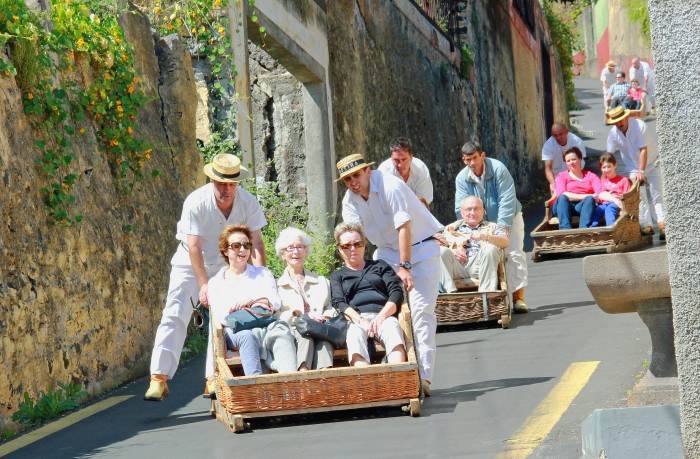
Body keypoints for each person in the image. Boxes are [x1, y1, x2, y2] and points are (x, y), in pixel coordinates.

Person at [144, 153, 267, 402]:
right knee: (175, 312)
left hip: (225, 263)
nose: (226, 189)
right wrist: (203, 286)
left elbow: (257, 244)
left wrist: (261, 281)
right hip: (189, 263)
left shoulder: (248, 202)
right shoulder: (196, 201)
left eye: (231, 183)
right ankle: (159, 378)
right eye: (221, 183)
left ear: (238, 183)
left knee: (221, 319)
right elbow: (194, 248)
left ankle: (213, 378)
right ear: (212, 181)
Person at [337, 154, 443, 395]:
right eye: (347, 179)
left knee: (420, 313)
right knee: (381, 311)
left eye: (356, 175)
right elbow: (354, 237)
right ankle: (391, 370)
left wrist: (404, 266)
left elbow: (403, 227)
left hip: (420, 247)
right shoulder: (350, 200)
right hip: (385, 253)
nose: (353, 182)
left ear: (367, 171)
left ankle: (423, 377)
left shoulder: (390, 185)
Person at [207, 225, 296, 378]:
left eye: (246, 245)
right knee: (248, 335)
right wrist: (251, 307)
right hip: (235, 332)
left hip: (266, 325)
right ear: (225, 250)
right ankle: (255, 386)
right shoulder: (216, 282)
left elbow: (275, 302)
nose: (242, 250)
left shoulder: (262, 273)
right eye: (236, 246)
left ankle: (291, 385)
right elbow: (222, 316)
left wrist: (251, 302)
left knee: (282, 330)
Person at [454, 141, 528, 313]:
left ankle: (518, 298)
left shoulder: (498, 169)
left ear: (482, 155)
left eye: (474, 158)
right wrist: (467, 229)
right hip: (479, 222)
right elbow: (461, 207)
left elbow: (507, 200)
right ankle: (489, 298)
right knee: (482, 253)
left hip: (508, 217)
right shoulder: (461, 178)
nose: (471, 163)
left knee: (513, 254)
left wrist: (502, 228)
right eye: (467, 160)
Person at [330, 223, 407, 368]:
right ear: (340, 249)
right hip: (357, 318)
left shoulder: (380, 266)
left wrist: (382, 316)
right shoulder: (337, 276)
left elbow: (396, 292)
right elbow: (339, 302)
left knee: (393, 329)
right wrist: (360, 320)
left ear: (364, 245)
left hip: (384, 314)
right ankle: (365, 384)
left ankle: (397, 379)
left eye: (357, 244)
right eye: (347, 245)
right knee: (354, 336)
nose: (353, 249)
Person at [275, 227, 335, 371]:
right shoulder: (275, 285)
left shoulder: (321, 281)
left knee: (325, 341)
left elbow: (331, 307)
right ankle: (303, 379)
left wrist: (324, 317)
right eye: (290, 248)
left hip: (321, 328)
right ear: (283, 254)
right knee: (306, 338)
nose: (295, 252)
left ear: (306, 251)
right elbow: (276, 314)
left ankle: (323, 381)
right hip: (294, 329)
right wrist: (299, 317)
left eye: (300, 247)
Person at [606, 106, 666, 239]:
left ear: (626, 117)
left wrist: (642, 171)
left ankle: (663, 224)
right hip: (632, 166)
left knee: (657, 194)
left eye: (620, 120)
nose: (618, 123)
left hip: (652, 163)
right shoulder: (613, 133)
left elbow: (643, 150)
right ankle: (646, 226)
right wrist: (608, 173)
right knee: (639, 197)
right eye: (615, 121)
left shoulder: (639, 126)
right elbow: (609, 155)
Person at [439, 196, 509, 294]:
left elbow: (505, 242)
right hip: (457, 266)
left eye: (476, 209)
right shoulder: (450, 229)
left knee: (490, 248)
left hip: (480, 265)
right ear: (462, 212)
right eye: (468, 209)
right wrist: (453, 251)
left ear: (483, 210)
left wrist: (486, 237)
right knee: (440, 251)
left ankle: (487, 295)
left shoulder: (493, 227)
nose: (472, 213)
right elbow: (435, 245)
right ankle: (448, 295)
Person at [552, 147, 602, 230]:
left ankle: (583, 231)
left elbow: (599, 192)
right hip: (565, 206)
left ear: (580, 159)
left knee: (589, 199)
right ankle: (565, 232)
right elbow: (562, 193)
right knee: (562, 198)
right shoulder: (562, 176)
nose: (571, 162)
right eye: (568, 161)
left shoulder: (590, 176)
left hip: (583, 207)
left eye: (573, 159)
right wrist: (586, 195)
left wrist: (594, 197)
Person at [378, 137, 434, 206]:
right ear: (391, 158)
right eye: (396, 160)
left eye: (404, 159)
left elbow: (424, 203)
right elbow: (381, 202)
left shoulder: (421, 169)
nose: (400, 165)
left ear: (411, 158)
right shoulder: (383, 172)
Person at [541, 121, 588, 193]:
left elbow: (580, 163)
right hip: (557, 177)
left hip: (575, 176)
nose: (558, 137)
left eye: (560, 134)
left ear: (567, 132)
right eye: (555, 135)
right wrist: (553, 184)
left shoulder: (577, 141)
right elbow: (548, 169)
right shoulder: (548, 145)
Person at [592, 153, 631, 227]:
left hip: (617, 203)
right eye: (604, 167)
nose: (606, 170)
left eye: (609, 166)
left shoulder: (623, 180)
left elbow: (627, 197)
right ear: (601, 168)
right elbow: (600, 198)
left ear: (615, 165)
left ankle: (610, 229)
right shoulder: (601, 181)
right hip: (604, 204)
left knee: (609, 209)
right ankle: (592, 229)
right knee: (596, 210)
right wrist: (597, 199)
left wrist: (624, 208)